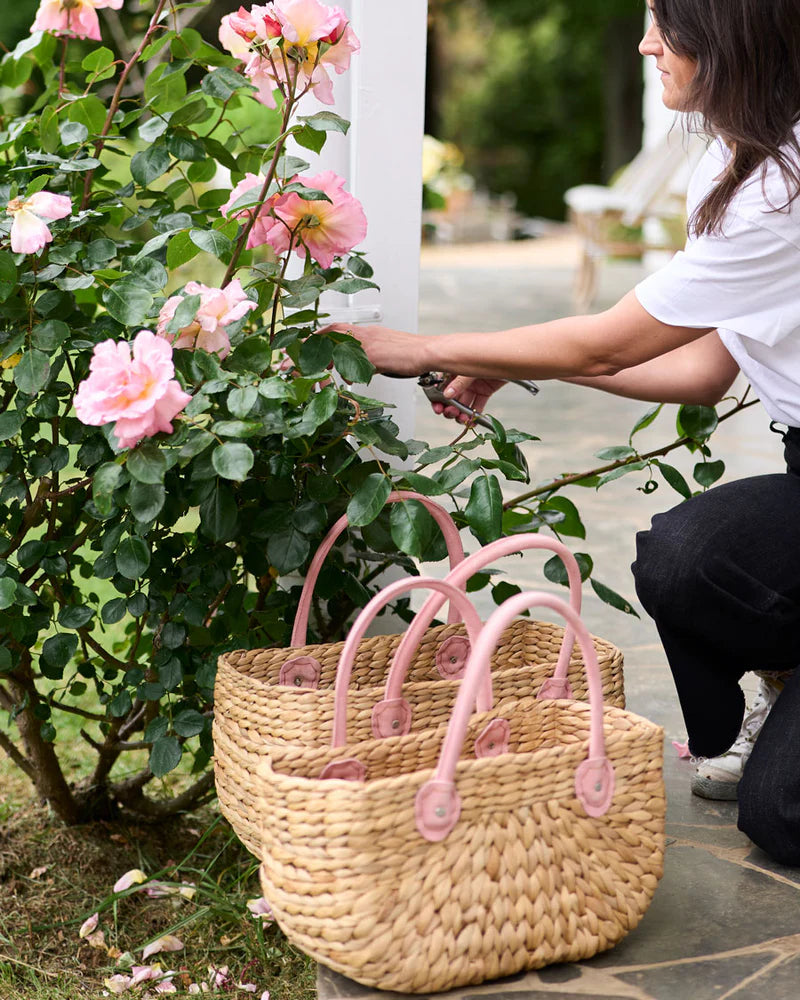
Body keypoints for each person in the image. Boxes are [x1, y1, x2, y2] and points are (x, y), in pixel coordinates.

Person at [329, 0, 800, 865]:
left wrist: (428, 348)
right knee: (682, 557)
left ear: (729, 37)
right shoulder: (736, 170)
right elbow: (700, 372)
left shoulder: (784, 185)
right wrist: (517, 361)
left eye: (667, 24)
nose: (645, 41)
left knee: (784, 819)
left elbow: (612, 339)